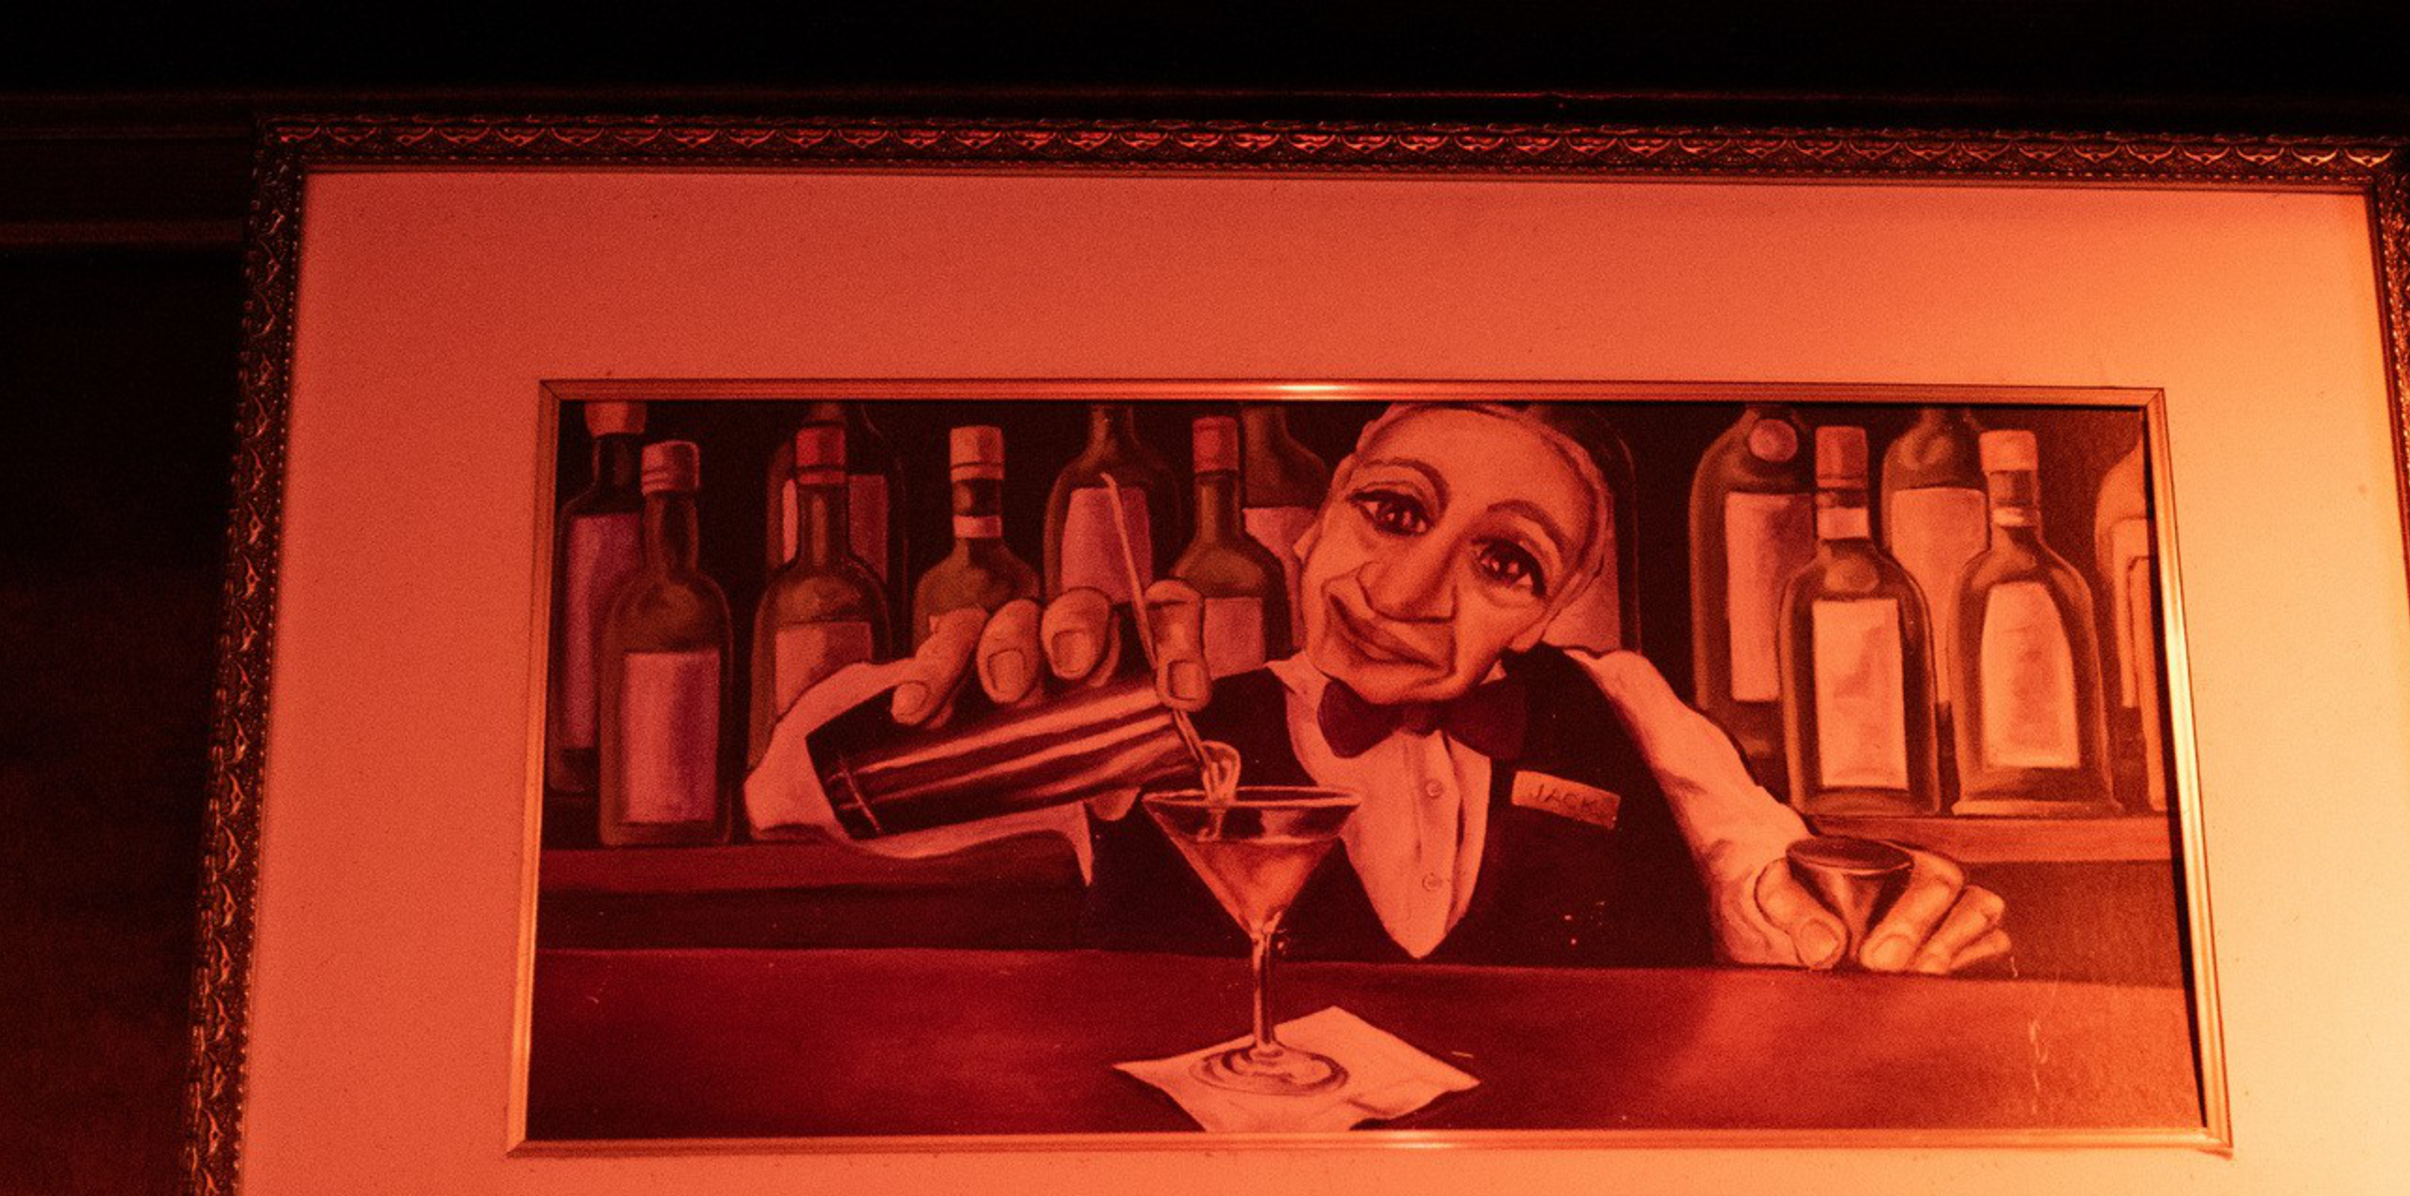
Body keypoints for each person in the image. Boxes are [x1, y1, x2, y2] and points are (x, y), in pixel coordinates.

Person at [743, 402, 2011, 976]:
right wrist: (949, 690)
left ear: (1551, 610)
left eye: (1502, 561)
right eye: (1391, 512)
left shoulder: (1618, 699)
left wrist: (1879, 920)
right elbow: (787, 799)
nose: (1406, 591)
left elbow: (1764, 886)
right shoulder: (1147, 723)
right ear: (1312, 524)